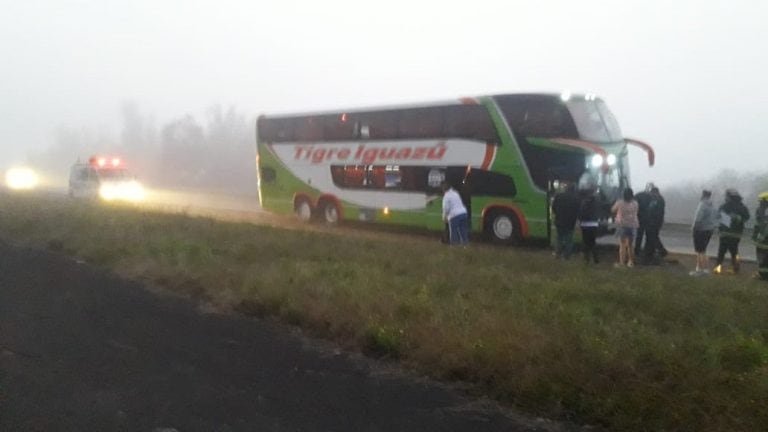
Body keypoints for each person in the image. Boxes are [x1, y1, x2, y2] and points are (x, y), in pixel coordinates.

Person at [714, 189, 750, 274]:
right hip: (736, 234)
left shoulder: (724, 206)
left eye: (726, 196)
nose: (725, 198)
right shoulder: (742, 207)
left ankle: (718, 268)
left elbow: (718, 216)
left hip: (725, 234)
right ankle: (736, 268)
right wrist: (738, 219)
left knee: (721, 251)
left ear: (730, 197)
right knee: (734, 251)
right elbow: (747, 217)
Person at [690, 189, 718, 276]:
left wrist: (694, 227)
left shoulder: (702, 204)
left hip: (700, 230)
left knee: (700, 251)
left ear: (703, 195)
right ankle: (702, 269)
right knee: (703, 250)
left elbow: (698, 217)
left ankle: (701, 270)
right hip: (709, 230)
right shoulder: (712, 205)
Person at [551, 183, 580, 259]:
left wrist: (557, 214)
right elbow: (578, 210)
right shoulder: (576, 198)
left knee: (559, 238)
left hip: (559, 220)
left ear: (566, 189)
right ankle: (567, 255)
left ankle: (557, 254)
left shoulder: (559, 196)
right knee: (569, 240)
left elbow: (553, 207)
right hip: (570, 222)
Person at [612, 187, 639, 268]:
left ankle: (622, 262)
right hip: (633, 225)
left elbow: (612, 210)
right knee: (630, 245)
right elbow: (637, 211)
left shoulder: (619, 202)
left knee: (622, 244)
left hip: (622, 225)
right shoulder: (635, 203)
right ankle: (631, 262)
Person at [642, 186, 667, 264]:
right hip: (655, 222)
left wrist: (649, 218)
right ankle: (648, 253)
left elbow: (653, 211)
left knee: (653, 237)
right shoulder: (658, 199)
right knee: (649, 237)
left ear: (654, 192)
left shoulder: (657, 200)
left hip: (653, 222)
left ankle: (662, 250)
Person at [442, 180, 469, 246]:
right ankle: (465, 245)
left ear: (443, 189)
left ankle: (454, 246)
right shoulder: (455, 193)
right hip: (463, 213)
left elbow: (446, 208)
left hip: (454, 215)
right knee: (463, 230)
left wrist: (444, 217)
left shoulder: (446, 196)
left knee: (453, 231)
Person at [578, 188, 600, 264]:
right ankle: (596, 258)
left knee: (586, 242)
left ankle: (586, 259)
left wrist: (580, 220)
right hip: (594, 224)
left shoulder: (584, 202)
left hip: (585, 224)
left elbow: (581, 213)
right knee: (593, 242)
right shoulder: (596, 203)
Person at [753, 192, 768, 280]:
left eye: (761, 201)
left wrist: (760, 236)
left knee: (762, 257)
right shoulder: (762, 211)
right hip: (763, 237)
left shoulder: (764, 212)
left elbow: (763, 225)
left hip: (764, 238)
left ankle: (763, 275)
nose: (760, 203)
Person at [634, 184, 652, 257]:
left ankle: (638, 250)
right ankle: (642, 250)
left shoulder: (638, 195)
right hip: (645, 219)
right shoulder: (651, 197)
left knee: (640, 235)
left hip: (641, 218)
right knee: (645, 235)